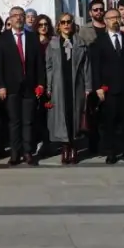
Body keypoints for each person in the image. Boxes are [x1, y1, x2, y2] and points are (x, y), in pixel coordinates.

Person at [0, 6, 45, 166]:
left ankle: (28, 152)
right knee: (14, 121)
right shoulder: (3, 39)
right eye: (14, 16)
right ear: (10, 19)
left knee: (28, 121)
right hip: (10, 87)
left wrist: (41, 84)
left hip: (29, 86)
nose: (18, 18)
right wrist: (1, 85)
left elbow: (39, 63)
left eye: (20, 15)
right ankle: (15, 153)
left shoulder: (32, 38)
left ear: (24, 18)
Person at [93, 9, 124, 164]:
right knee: (110, 123)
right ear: (106, 21)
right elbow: (96, 67)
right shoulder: (99, 42)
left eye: (116, 17)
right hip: (109, 90)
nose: (115, 20)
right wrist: (98, 87)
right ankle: (112, 152)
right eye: (111, 18)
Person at [45, 13, 92, 164]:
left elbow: (87, 67)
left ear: (73, 24)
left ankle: (74, 148)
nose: (66, 25)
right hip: (59, 86)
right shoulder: (52, 44)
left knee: (75, 116)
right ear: (58, 25)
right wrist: (49, 87)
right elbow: (49, 67)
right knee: (62, 117)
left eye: (68, 22)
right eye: (63, 22)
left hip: (76, 85)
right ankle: (65, 147)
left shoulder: (80, 43)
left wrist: (88, 87)